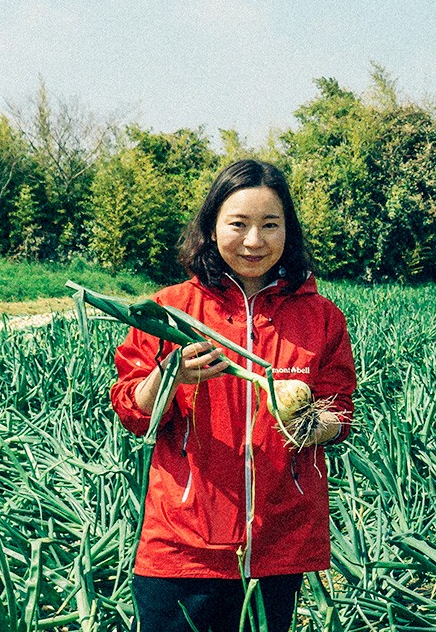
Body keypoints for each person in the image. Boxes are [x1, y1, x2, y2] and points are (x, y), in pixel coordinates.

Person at [110, 159, 357, 632]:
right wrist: (170, 376)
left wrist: (309, 424)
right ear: (212, 227)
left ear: (289, 231)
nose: (253, 241)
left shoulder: (321, 317)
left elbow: (340, 411)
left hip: (277, 546)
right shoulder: (170, 312)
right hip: (183, 547)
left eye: (270, 225)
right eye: (238, 224)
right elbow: (130, 410)